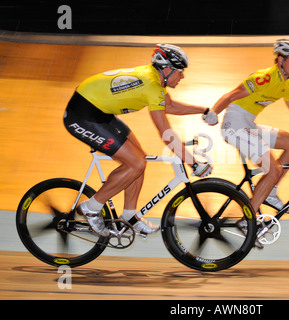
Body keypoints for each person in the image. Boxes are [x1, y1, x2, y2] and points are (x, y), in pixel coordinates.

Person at [64, 44, 212, 237]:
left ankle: (129, 217)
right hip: (83, 115)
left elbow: (170, 105)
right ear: (167, 70)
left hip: (99, 110)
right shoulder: (151, 85)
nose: (182, 76)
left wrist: (204, 110)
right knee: (136, 163)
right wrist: (193, 162)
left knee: (139, 160)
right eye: (180, 71)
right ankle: (91, 207)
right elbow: (166, 134)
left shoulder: (153, 79)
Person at [203, 38, 289, 216]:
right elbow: (232, 94)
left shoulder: (287, 86)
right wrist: (213, 113)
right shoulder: (264, 78)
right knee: (273, 170)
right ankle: (247, 221)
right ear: (281, 60)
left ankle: (270, 191)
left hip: (247, 124)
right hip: (234, 125)